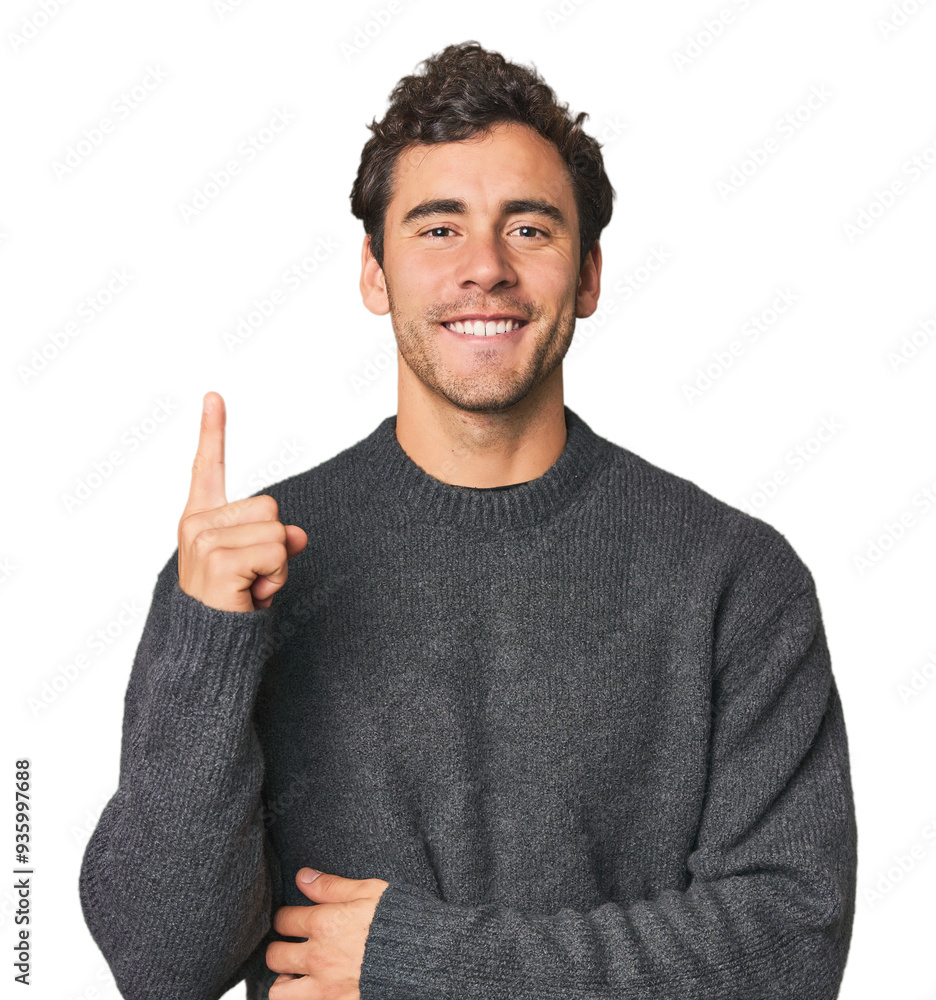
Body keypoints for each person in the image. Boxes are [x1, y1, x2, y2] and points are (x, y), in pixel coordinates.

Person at [79, 40, 857, 1000]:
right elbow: (162, 966)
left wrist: (429, 963)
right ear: (375, 274)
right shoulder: (239, 575)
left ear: (589, 276)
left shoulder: (734, 577)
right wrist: (207, 642)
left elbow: (790, 948)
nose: (484, 268)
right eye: (438, 229)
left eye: (528, 229)